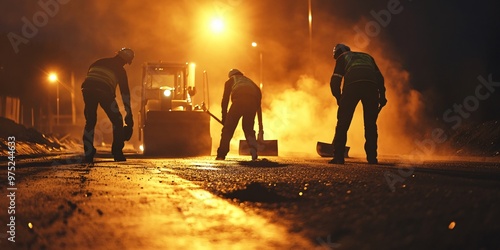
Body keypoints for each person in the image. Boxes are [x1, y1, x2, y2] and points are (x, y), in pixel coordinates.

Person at [329, 44, 387, 164]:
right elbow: (380, 78)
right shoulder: (367, 57)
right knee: (370, 124)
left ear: (336, 53)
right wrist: (382, 96)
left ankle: (338, 157)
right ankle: (372, 158)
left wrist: (339, 97)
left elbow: (335, 80)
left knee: (343, 123)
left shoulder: (342, 57)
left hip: (352, 86)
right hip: (371, 87)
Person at [81, 48, 135, 163]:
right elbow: (125, 93)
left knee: (90, 121)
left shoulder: (98, 62)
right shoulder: (120, 70)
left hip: (87, 89)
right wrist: (129, 115)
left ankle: (88, 154)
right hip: (104, 92)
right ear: (126, 61)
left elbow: (90, 78)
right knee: (117, 121)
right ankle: (117, 153)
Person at [216, 69, 262, 161]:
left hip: (239, 101)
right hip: (252, 103)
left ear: (231, 75)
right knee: (248, 129)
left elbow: (225, 100)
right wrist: (260, 125)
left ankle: (221, 155)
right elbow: (258, 104)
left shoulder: (231, 80)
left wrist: (224, 118)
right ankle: (254, 152)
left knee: (228, 130)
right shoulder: (251, 82)